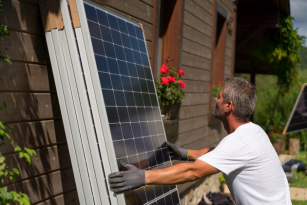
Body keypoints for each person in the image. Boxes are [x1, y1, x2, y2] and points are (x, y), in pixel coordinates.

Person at [108, 77, 291, 205]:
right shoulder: (254, 132)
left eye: (219, 97)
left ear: (228, 106)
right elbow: (219, 154)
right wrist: (185, 153)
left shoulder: (240, 142)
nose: (215, 99)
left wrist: (143, 177)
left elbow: (192, 173)